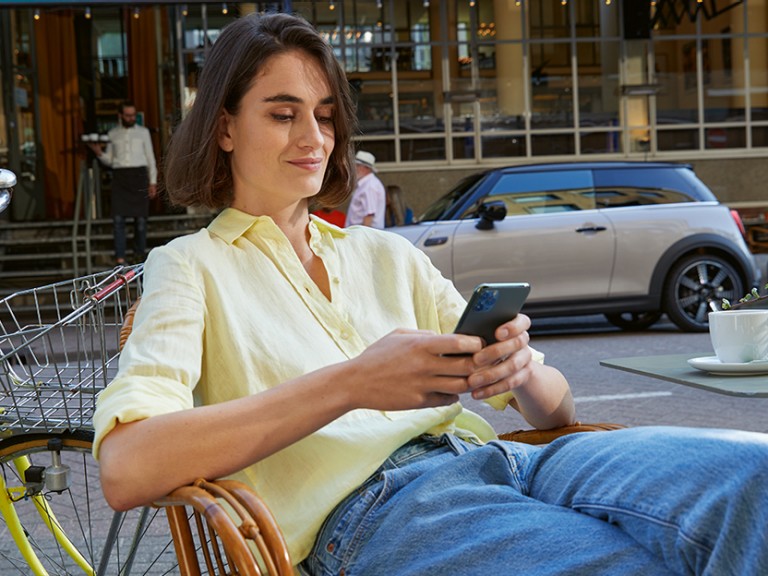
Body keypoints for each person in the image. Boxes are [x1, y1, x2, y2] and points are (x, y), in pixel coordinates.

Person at [93, 12, 768, 576]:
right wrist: (352, 383)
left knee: (755, 477)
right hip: (377, 510)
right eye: (282, 114)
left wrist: (521, 368)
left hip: (507, 460)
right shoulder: (190, 266)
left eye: (325, 116)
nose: (314, 139)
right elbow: (128, 468)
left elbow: (558, 411)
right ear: (225, 127)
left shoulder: (384, 253)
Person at [88, 100, 158, 264]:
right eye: (127, 115)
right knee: (118, 219)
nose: (131, 118)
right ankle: (120, 257)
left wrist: (153, 182)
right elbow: (111, 160)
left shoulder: (143, 133)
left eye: (133, 115)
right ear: (120, 116)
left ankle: (139, 255)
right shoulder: (113, 134)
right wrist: (99, 153)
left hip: (139, 175)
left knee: (140, 220)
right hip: (120, 176)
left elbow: (150, 158)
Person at [344, 150, 386, 228]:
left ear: (366, 168)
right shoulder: (367, 184)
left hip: (363, 235)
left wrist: (362, 238)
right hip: (361, 234)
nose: (354, 169)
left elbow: (369, 215)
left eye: (357, 165)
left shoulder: (370, 186)